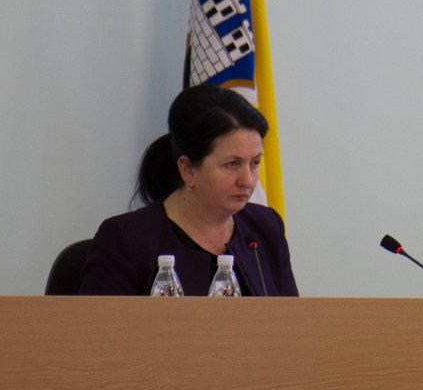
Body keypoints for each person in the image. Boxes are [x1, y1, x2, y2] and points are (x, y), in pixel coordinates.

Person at [79, 85, 298, 296]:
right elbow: (100, 322)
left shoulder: (264, 228)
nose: (248, 181)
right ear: (187, 169)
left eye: (255, 163)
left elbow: (292, 318)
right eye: (232, 164)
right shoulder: (126, 240)